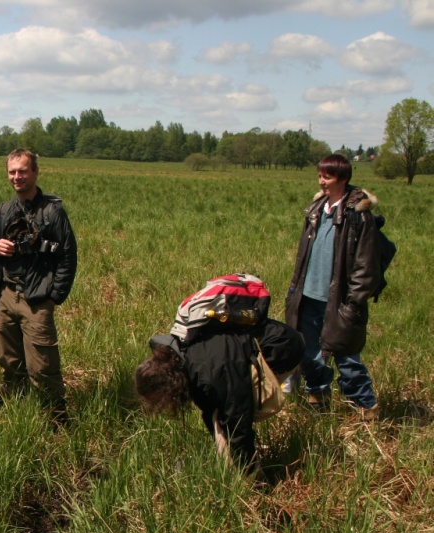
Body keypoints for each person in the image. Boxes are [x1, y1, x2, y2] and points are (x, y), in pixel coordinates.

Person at [0, 148, 77, 424]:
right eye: (12, 172)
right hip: (6, 295)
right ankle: (16, 407)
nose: (17, 177)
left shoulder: (52, 212)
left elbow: (68, 257)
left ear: (35, 172)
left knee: (42, 365)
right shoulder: (3, 211)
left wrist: (55, 297)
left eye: (22, 171)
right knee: (7, 357)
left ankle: (55, 418)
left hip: (38, 299)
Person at [284, 154, 382, 420]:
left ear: (342, 178)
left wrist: (353, 302)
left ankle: (365, 407)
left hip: (339, 299)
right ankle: (318, 395)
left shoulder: (359, 216)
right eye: (319, 176)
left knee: (346, 356)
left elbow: (366, 265)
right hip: (309, 294)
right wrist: (295, 291)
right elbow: (303, 256)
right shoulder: (316, 209)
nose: (321, 182)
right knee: (310, 353)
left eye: (326, 177)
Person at [136, 319, 304, 472]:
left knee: (236, 417)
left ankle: (248, 470)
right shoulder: (183, 361)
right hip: (258, 346)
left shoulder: (208, 373)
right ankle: (236, 463)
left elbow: (237, 417)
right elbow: (210, 411)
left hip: (283, 349)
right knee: (223, 419)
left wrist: (249, 475)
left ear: (167, 388)